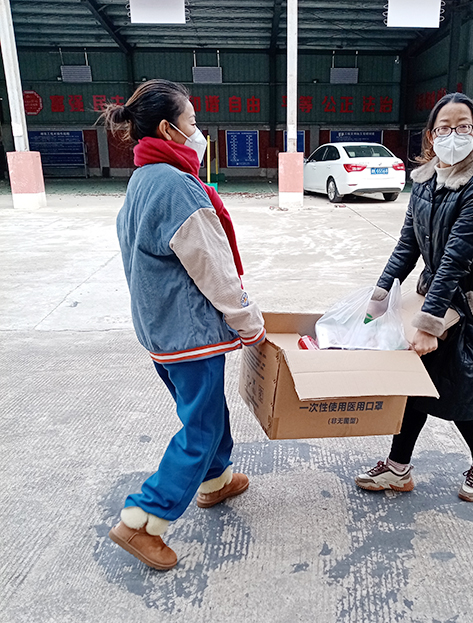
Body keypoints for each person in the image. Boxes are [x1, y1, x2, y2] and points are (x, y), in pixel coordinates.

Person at [99, 79, 265, 570]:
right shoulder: (177, 187)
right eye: (192, 122)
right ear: (169, 130)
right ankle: (142, 520)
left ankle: (216, 480)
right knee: (201, 427)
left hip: (161, 331)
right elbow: (214, 269)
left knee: (207, 413)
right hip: (188, 334)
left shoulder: (144, 179)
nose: (199, 131)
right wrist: (248, 322)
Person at [356, 92, 473, 503]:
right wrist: (379, 296)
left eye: (463, 127)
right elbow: (407, 245)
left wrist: (427, 326)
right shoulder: (424, 182)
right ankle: (398, 467)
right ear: (431, 135)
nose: (453, 134)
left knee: (461, 391)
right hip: (436, 297)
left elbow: (457, 260)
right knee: (416, 383)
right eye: (444, 127)